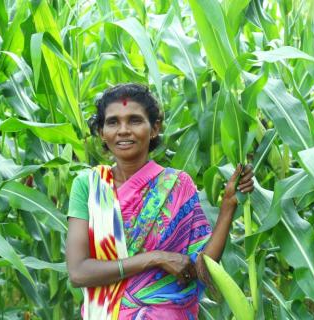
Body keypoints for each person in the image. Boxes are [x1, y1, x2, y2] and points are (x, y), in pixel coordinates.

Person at [66, 83, 254, 320]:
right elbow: (78, 272)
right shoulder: (89, 186)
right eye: (113, 122)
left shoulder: (177, 185)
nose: (123, 130)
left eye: (134, 120)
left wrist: (227, 207)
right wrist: (154, 257)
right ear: (102, 132)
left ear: (154, 128)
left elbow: (201, 269)